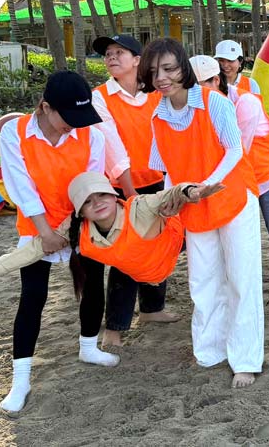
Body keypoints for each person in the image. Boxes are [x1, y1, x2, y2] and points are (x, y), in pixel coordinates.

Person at [0, 71, 110, 413]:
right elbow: (20, 186)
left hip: (78, 219)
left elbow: (91, 183)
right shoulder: (15, 133)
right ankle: (21, 379)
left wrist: (69, 226)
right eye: (68, 118)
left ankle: (88, 346)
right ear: (45, 108)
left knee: (92, 284)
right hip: (36, 225)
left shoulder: (91, 136)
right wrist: (45, 232)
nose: (75, 126)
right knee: (32, 298)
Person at [142, 39, 264, 387]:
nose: (161, 78)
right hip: (193, 207)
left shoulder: (215, 102)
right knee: (203, 282)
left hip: (232, 199)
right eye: (153, 72)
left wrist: (204, 185)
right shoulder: (157, 116)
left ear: (183, 66)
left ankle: (245, 359)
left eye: (168, 69)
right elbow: (165, 168)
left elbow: (234, 151)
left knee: (241, 279)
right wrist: (174, 197)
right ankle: (209, 351)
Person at [0, 172, 220, 306]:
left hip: (177, 243)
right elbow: (28, 253)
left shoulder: (138, 208)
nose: (98, 202)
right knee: (123, 270)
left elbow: (169, 193)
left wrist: (191, 192)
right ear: (82, 211)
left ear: (114, 195)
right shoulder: (76, 230)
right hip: (143, 268)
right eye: (89, 201)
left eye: (103, 194)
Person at [190, 54, 269, 320]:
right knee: (235, 245)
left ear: (215, 80)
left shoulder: (245, 102)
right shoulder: (200, 107)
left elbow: (236, 151)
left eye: (199, 86)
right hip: (238, 181)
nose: (194, 94)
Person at [90, 34, 179, 347]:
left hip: (159, 180)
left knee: (161, 243)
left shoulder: (157, 93)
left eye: (119, 52)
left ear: (138, 60)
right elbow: (112, 147)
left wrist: (170, 184)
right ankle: (114, 328)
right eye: (108, 54)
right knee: (127, 253)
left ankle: (153, 309)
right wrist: (130, 195)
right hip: (120, 184)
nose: (111, 58)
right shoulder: (100, 96)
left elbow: (171, 137)